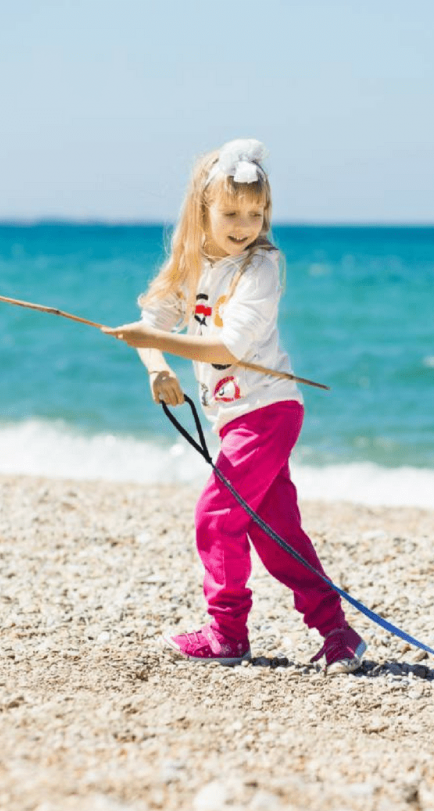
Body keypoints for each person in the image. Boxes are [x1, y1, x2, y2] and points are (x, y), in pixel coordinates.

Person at [102, 139, 366, 674]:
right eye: (230, 212)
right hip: (235, 417)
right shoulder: (193, 263)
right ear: (204, 211)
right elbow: (155, 321)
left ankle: (227, 634)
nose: (244, 223)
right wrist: (156, 368)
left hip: (268, 412)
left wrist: (159, 346)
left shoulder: (261, 267)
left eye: (255, 212)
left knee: (216, 514)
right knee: (277, 534)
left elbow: (228, 347)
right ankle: (337, 633)